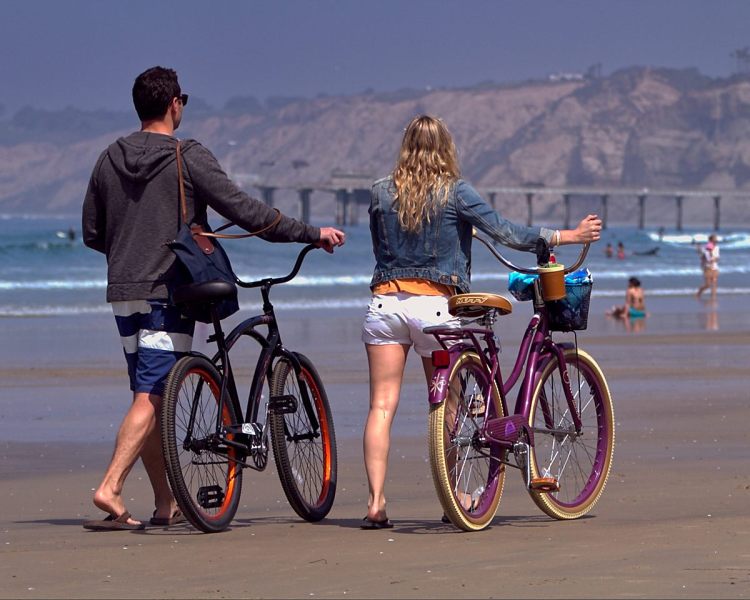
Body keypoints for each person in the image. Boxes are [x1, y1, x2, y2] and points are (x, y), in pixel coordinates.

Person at [81, 66, 345, 531]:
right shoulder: (186, 155)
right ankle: (111, 486)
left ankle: (166, 504)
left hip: (123, 292)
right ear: (174, 104)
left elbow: (92, 232)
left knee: (150, 397)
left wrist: (129, 251)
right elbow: (244, 210)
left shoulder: (108, 158)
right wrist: (310, 233)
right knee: (152, 395)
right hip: (167, 289)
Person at [359, 115, 602, 529]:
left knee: (381, 406)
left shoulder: (381, 192)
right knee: (448, 408)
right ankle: (453, 494)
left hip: (384, 306)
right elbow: (507, 232)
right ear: (446, 148)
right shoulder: (456, 192)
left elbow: (382, 249)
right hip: (435, 308)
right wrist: (570, 235)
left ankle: (376, 503)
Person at [696, 234, 719, 300]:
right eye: (714, 240)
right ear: (710, 240)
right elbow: (702, 257)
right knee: (708, 285)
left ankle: (713, 298)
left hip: (715, 267)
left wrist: (714, 259)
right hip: (707, 267)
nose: (716, 241)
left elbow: (717, 257)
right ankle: (699, 292)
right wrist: (698, 248)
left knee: (714, 283)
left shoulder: (717, 248)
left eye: (716, 240)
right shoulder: (706, 248)